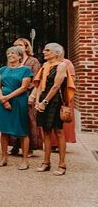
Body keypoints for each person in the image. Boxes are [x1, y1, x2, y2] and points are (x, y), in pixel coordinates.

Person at [32, 43, 75, 176]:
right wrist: (38, 100)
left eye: (47, 50)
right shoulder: (45, 66)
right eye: (44, 49)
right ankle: (46, 162)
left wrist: (45, 102)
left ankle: (62, 164)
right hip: (43, 99)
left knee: (59, 131)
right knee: (45, 131)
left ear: (57, 53)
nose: (44, 52)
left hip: (54, 100)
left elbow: (56, 86)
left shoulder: (61, 65)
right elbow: (39, 85)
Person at [0, 46, 32, 170]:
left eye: (13, 53)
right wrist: (2, 98)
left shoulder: (25, 70)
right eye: (8, 53)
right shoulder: (2, 69)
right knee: (4, 130)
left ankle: (25, 160)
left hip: (18, 102)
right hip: (2, 102)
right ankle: (4, 157)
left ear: (20, 56)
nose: (10, 55)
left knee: (22, 130)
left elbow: (23, 87)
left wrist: (7, 97)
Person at [11, 38, 42, 155]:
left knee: (27, 119)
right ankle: (15, 145)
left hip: (27, 93)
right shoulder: (12, 61)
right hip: (14, 93)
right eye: (15, 45)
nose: (17, 47)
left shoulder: (33, 61)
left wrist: (33, 96)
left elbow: (36, 80)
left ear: (26, 47)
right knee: (14, 119)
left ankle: (29, 147)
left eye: (20, 45)